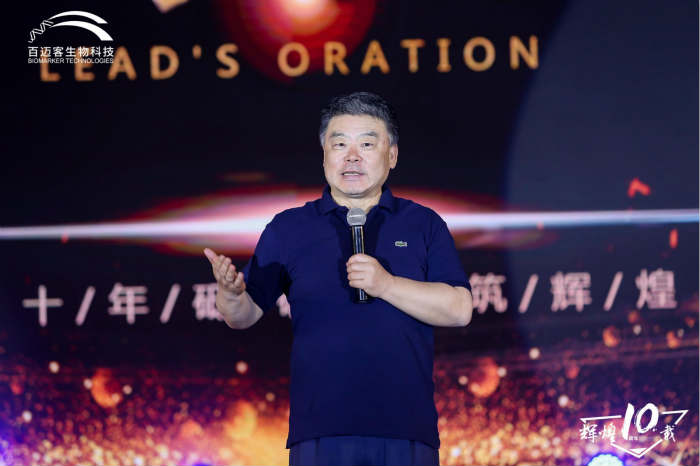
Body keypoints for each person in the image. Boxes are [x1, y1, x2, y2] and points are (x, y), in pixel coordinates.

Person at [203, 92, 473, 466]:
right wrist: (231, 294)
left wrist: (387, 285)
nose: (352, 156)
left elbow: (460, 309)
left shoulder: (424, 224)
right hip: (320, 433)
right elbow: (243, 315)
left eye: (367, 144)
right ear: (324, 155)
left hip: (406, 431)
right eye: (340, 144)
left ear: (392, 155)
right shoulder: (289, 228)